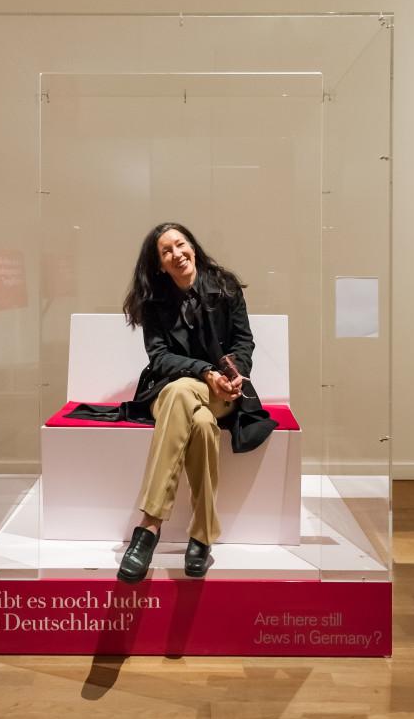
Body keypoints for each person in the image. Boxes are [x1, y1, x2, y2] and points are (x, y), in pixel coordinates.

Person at [116, 222, 277, 584]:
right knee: (194, 413)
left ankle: (149, 526)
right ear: (159, 264)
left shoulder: (225, 287)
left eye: (181, 244)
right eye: (166, 251)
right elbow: (159, 358)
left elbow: (243, 341)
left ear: (193, 246)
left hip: (222, 393)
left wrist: (235, 375)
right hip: (169, 391)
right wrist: (205, 373)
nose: (177, 254)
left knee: (197, 408)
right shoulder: (155, 302)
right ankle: (201, 537)